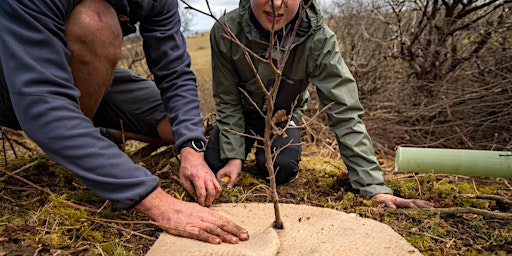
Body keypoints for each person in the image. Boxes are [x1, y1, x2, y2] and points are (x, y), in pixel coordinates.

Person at [0, 0, 248, 244]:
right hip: (19, 77)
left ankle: (96, 136)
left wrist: (192, 149)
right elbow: (42, 103)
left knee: (177, 127)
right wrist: (159, 203)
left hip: (84, 75)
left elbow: (175, 73)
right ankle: (79, 138)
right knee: (95, 19)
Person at [205, 0, 431, 208]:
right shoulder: (226, 30)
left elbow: (344, 112)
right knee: (215, 161)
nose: (276, 4)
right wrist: (234, 157)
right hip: (241, 117)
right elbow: (227, 100)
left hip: (282, 117)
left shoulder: (319, 39)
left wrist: (373, 188)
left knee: (281, 168)